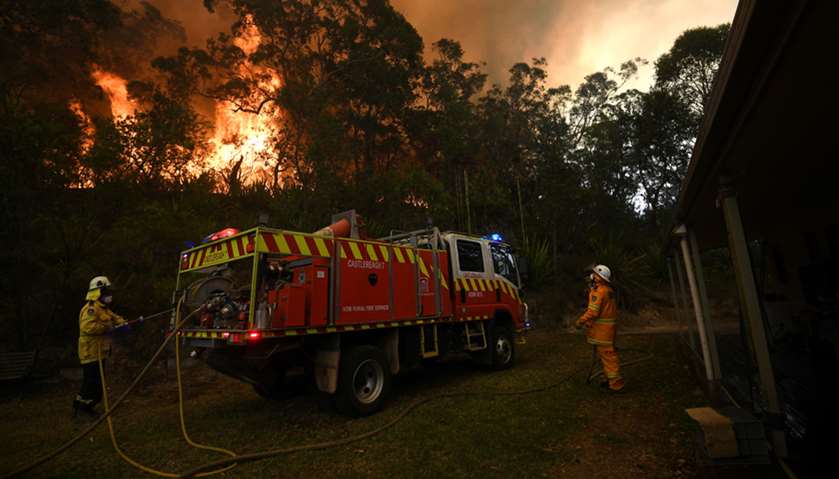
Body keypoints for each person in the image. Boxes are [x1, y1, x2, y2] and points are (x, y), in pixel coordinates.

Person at [73, 276, 127, 417]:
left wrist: (124, 324)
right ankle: (82, 410)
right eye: (106, 293)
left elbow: (115, 318)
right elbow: (87, 327)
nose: (109, 296)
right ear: (98, 293)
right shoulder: (91, 309)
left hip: (99, 352)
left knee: (94, 383)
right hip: (90, 352)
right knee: (92, 384)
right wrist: (107, 327)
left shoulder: (104, 309)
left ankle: (83, 407)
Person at [575, 264, 625, 392]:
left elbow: (593, 312)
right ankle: (609, 380)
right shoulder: (608, 290)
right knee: (606, 356)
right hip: (608, 330)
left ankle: (616, 384)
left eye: (595, 274)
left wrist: (581, 321)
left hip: (602, 331)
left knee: (608, 357)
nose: (592, 276)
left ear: (599, 278)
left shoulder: (599, 292)